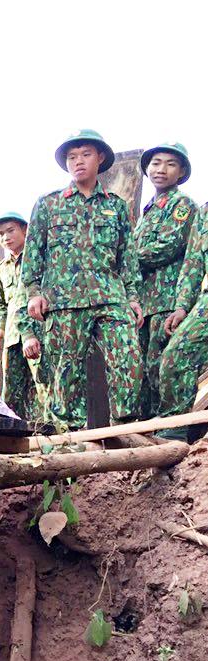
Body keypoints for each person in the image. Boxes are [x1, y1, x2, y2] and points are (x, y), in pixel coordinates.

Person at [24, 129, 143, 429]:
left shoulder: (115, 206)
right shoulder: (48, 204)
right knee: (66, 372)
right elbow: (33, 254)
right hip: (63, 301)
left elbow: (127, 256)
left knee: (128, 356)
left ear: (100, 158)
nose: (78, 162)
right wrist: (33, 292)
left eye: (85, 154)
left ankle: (127, 426)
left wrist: (132, 298)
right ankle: (70, 440)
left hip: (111, 296)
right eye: (71, 157)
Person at [132, 142, 197, 418]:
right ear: (147, 169)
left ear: (181, 172)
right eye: (156, 163)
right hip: (144, 303)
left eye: (170, 164)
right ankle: (148, 425)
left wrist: (124, 259)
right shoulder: (148, 210)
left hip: (167, 300)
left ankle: (172, 423)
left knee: (163, 365)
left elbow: (169, 245)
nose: (161, 169)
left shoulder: (181, 204)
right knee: (144, 368)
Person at [0, 212, 46, 420]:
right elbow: (0, 304)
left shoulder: (39, 257)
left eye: (10, 230)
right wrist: (0, 328)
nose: (5, 237)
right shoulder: (1, 269)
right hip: (13, 337)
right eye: (1, 234)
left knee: (43, 384)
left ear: (25, 230)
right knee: (11, 392)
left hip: (38, 332)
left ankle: (52, 432)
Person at [158, 199, 208, 439]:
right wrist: (182, 307)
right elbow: (193, 263)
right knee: (176, 354)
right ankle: (175, 430)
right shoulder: (205, 211)